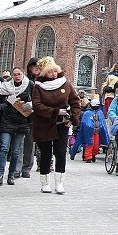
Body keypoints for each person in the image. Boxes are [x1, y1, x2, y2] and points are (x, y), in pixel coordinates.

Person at [31, 57, 81, 194]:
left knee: (60, 152)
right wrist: (55, 111)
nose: (53, 74)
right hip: (44, 124)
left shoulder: (65, 83)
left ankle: (59, 182)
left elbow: (75, 102)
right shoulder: (38, 87)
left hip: (62, 124)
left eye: (55, 71)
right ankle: (45, 182)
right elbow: (37, 106)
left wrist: (73, 118)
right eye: (50, 72)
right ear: (44, 73)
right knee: (46, 154)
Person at [0, 67, 33, 186]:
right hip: (7, 121)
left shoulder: (29, 85)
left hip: (22, 122)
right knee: (3, 148)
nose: (17, 76)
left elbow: (37, 99)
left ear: (23, 74)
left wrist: (31, 105)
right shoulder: (7, 86)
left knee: (15, 151)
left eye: (19, 74)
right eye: (15, 74)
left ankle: (11, 175)